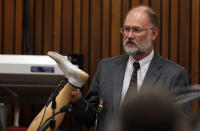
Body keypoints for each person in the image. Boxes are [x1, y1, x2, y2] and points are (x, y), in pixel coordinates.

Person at [47, 5, 191, 131]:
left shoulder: (174, 75)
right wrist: (78, 101)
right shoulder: (106, 68)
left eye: (136, 30)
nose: (129, 35)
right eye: (126, 29)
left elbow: (180, 124)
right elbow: (91, 117)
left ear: (153, 34)